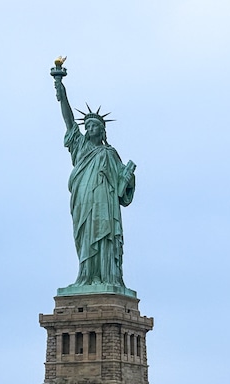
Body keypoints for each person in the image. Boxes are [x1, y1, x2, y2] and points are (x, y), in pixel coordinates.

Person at [53, 75, 136, 292]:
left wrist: (128, 178)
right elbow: (69, 120)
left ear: (102, 130)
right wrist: (61, 92)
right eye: (87, 126)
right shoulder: (79, 146)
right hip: (83, 198)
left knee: (105, 236)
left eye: (94, 126)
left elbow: (122, 188)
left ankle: (109, 278)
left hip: (105, 204)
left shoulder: (109, 153)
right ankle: (86, 276)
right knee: (85, 235)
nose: (90, 129)